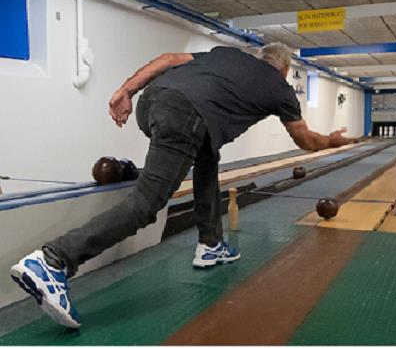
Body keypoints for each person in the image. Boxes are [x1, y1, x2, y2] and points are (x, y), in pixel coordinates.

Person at [10, 43, 356, 329]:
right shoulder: (280, 89)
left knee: (207, 154)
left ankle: (211, 244)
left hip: (151, 102)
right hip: (184, 117)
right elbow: (305, 140)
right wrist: (333, 141)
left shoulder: (226, 54)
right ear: (284, 69)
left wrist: (125, 91)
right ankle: (54, 260)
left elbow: (167, 59)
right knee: (147, 204)